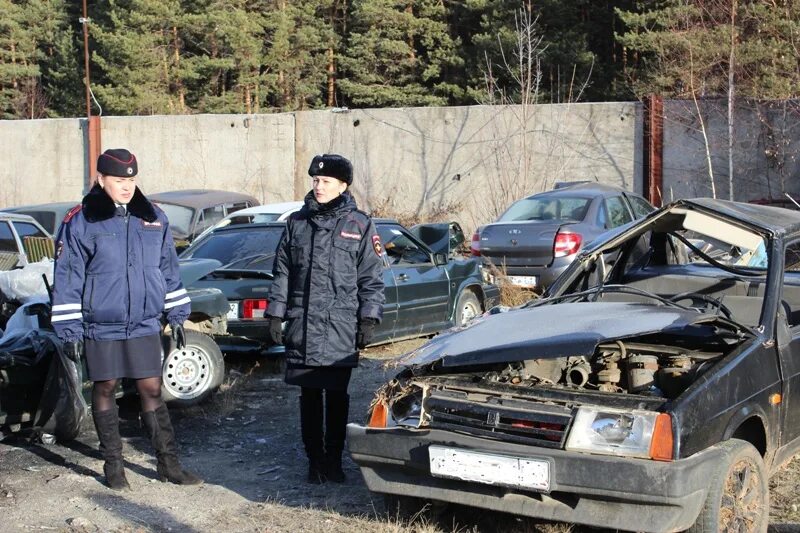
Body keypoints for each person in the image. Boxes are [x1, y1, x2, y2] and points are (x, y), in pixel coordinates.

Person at [51, 148, 202, 490]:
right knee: (105, 387)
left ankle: (169, 464)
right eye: (120, 180)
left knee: (151, 388)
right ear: (101, 179)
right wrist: (69, 328)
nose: (127, 187)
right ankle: (114, 466)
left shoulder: (154, 217)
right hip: (101, 324)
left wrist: (177, 312)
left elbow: (168, 270)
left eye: (132, 180)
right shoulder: (81, 220)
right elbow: (68, 276)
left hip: (143, 322)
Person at [266, 153, 384, 484]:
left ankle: (333, 461)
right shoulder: (296, 223)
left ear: (343, 185)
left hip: (340, 327)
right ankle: (314, 460)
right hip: (303, 324)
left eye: (326, 181)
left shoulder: (359, 224)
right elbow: (283, 272)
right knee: (308, 397)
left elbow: (371, 279)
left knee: (335, 397)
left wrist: (368, 318)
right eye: (315, 180)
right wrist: (276, 313)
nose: (318, 186)